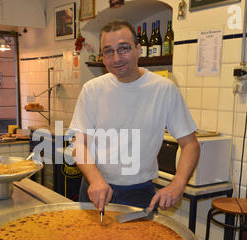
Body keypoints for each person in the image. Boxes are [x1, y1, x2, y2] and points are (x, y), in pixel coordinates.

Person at [69, 20, 200, 213]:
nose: (116, 58)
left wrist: (178, 183)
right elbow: (80, 144)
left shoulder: (163, 89)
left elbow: (190, 144)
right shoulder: (92, 90)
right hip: (97, 189)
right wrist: (96, 180)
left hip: (140, 193)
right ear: (103, 57)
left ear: (138, 49)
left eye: (123, 49)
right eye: (108, 51)